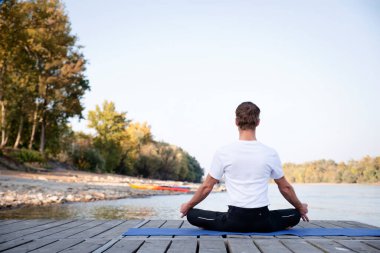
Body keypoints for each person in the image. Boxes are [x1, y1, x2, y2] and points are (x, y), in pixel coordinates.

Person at [180, 101, 309, 232]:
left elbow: (207, 187)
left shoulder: (223, 152)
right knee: (295, 214)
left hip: (234, 221)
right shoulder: (270, 153)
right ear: (258, 122)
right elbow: (285, 187)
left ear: (236, 122)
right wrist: (300, 207)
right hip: (262, 221)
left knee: (192, 215)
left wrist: (188, 205)